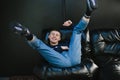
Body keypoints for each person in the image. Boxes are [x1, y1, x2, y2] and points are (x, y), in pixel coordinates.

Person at [11, 0, 97, 68]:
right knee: (39, 45)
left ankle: (88, 12)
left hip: (75, 58)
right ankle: (27, 34)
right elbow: (50, 53)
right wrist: (60, 48)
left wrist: (71, 25)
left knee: (77, 31)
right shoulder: (47, 49)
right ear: (48, 36)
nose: (54, 36)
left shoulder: (66, 42)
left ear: (60, 38)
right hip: (61, 62)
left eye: (57, 35)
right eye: (52, 34)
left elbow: (79, 36)